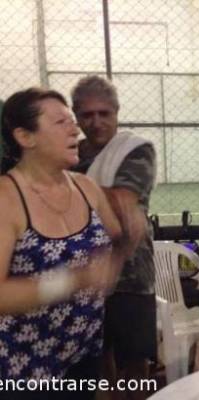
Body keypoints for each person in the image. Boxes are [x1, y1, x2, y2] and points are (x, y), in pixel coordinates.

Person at [0, 87, 127, 400]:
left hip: (83, 354)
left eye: (72, 120)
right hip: (24, 369)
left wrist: (128, 227)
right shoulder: (7, 199)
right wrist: (75, 279)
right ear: (25, 137)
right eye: (60, 122)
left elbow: (117, 239)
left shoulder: (86, 187)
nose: (76, 128)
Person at [71, 76, 157, 400]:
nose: (96, 122)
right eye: (87, 115)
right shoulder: (69, 154)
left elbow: (123, 204)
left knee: (135, 360)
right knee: (96, 358)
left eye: (104, 113)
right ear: (76, 115)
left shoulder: (134, 150)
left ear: (117, 112)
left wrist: (65, 189)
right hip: (82, 271)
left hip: (131, 275)